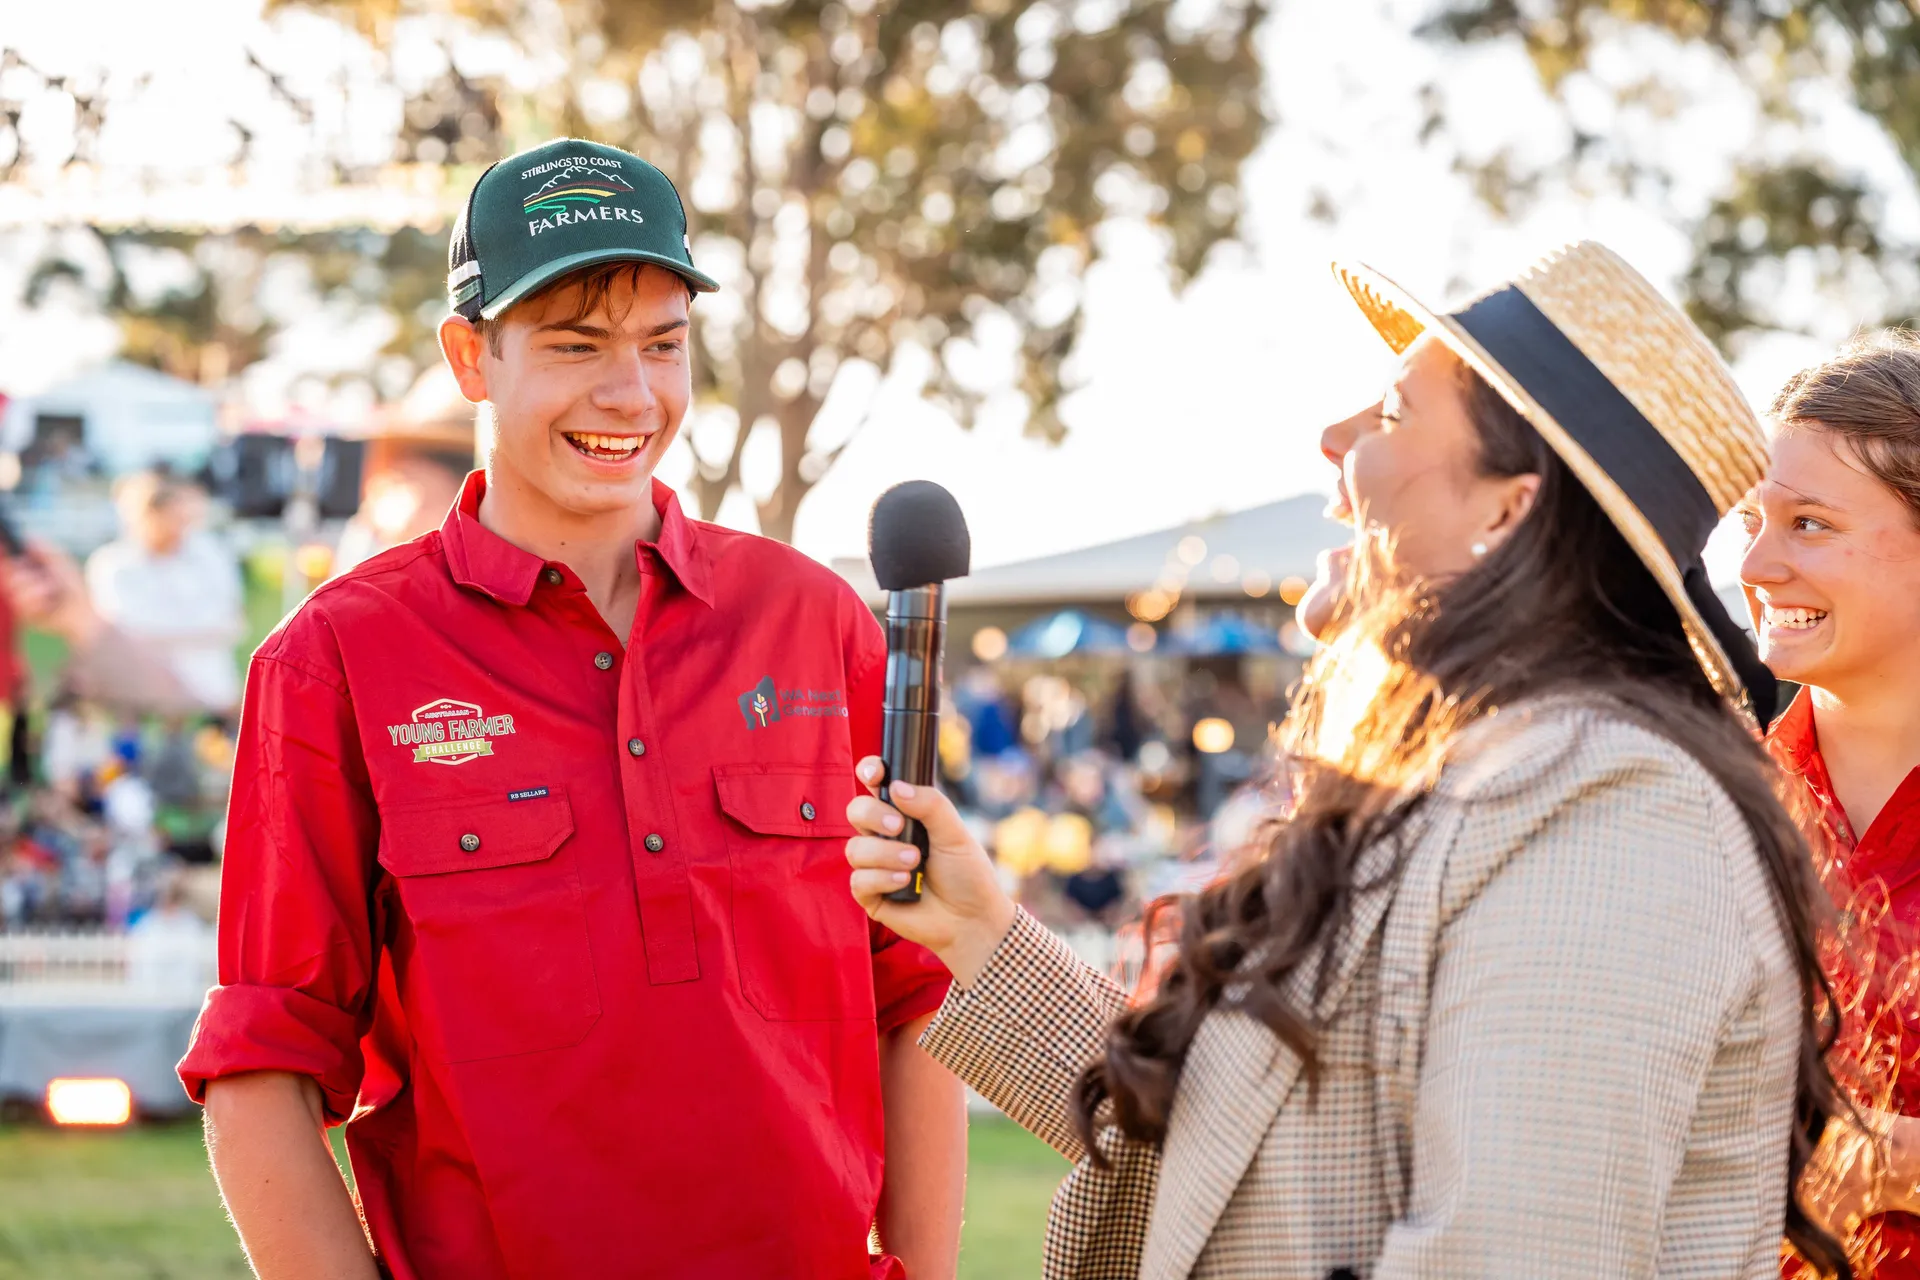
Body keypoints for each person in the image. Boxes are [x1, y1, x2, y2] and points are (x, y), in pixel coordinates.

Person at [847, 242, 1853, 1278]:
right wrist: (977, 927)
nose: (1333, 439)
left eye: (1392, 412)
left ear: (1508, 509)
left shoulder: (1618, 821)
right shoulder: (1478, 780)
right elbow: (1244, 1161)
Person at [177, 138, 966, 1280]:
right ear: (470, 356)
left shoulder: (816, 620)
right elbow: (262, 1066)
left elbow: (916, 993)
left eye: (663, 345)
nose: (630, 394)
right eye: (575, 344)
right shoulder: (335, 660)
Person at [1738, 331, 1920, 1274]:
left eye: (1809, 523)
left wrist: (1895, 1162)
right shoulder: (1713, 805)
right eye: (1751, 523)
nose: (1759, 566)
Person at [85, 470, 244, 713]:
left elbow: (231, 621)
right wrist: (201, 629)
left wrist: (163, 630)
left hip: (214, 695)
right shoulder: (111, 564)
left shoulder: (210, 553)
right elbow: (124, 630)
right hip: (140, 702)